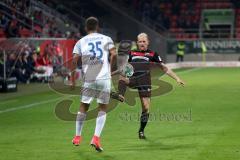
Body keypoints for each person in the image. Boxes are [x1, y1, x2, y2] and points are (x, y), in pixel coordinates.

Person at [113, 33, 185, 139]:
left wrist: (177, 78)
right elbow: (123, 68)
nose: (142, 44)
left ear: (148, 42)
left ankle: (141, 131)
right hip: (133, 79)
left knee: (146, 109)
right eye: (140, 42)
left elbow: (164, 68)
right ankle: (121, 95)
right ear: (137, 43)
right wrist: (111, 73)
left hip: (145, 82)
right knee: (122, 76)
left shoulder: (153, 54)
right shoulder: (131, 53)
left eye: (144, 41)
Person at [71, 17, 117, 152]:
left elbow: (74, 61)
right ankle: (96, 138)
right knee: (102, 108)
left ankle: (77, 136)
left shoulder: (80, 42)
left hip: (89, 78)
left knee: (84, 106)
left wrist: (73, 80)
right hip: (103, 77)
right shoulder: (106, 38)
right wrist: (110, 69)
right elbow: (114, 54)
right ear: (98, 27)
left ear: (86, 28)